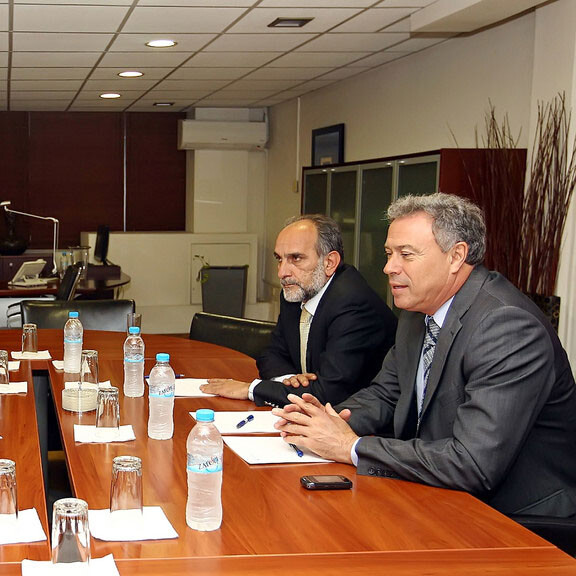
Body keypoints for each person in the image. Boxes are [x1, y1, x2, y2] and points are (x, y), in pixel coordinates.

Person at [274, 193, 576, 518]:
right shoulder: (418, 311)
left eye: (406, 254)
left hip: (517, 517)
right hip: (438, 491)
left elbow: (473, 463)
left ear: (456, 256)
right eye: (389, 254)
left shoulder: (507, 326)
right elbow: (386, 395)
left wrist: (350, 447)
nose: (389, 268)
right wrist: (322, 421)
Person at [201, 214, 397, 408]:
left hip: (358, 420)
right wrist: (290, 380)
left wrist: (251, 389)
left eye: (296, 258)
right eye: (279, 259)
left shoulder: (353, 304)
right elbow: (271, 353)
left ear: (329, 263)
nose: (282, 273)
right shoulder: (297, 291)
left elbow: (327, 393)